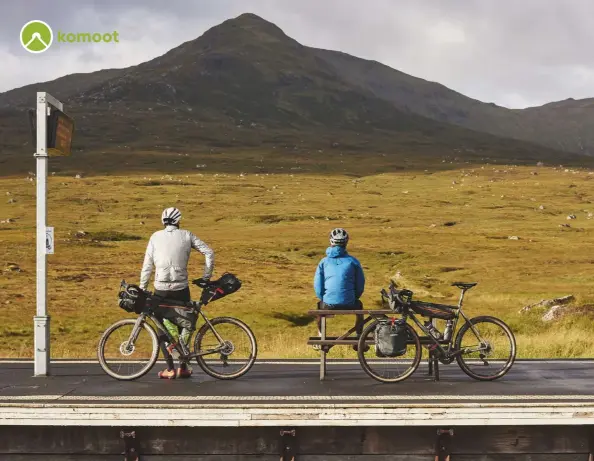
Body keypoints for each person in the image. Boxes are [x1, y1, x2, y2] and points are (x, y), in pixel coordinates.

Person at [140, 207, 215, 379]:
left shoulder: (155, 237)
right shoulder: (187, 235)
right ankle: (183, 367)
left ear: (163, 221)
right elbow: (209, 252)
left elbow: (147, 266)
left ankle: (170, 369)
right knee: (184, 323)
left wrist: (143, 287)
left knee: (160, 326)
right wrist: (206, 277)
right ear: (178, 221)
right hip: (181, 288)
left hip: (161, 288)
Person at [313, 228, 366, 351]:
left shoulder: (323, 262)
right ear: (346, 242)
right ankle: (359, 338)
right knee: (360, 307)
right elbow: (360, 284)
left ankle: (321, 337)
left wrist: (324, 298)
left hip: (328, 304)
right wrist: (354, 297)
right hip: (350, 302)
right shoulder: (353, 261)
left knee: (319, 308)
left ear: (331, 242)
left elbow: (318, 285)